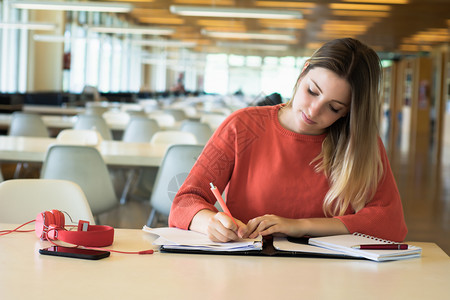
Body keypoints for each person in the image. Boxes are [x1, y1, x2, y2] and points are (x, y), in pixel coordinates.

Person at [169, 38, 408, 243]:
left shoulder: (360, 144)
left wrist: (300, 225)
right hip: (245, 270)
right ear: (303, 71)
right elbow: (185, 201)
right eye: (312, 91)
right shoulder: (242, 126)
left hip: (329, 278)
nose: (313, 111)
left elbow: (390, 223)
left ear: (348, 112)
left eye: (334, 108)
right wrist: (209, 222)